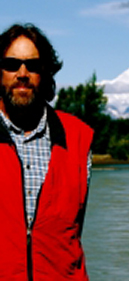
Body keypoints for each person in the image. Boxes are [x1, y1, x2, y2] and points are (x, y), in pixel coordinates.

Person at [0, 23, 94, 280]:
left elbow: (74, 233)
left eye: (32, 65)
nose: (22, 73)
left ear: (45, 73)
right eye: (11, 64)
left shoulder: (77, 139)